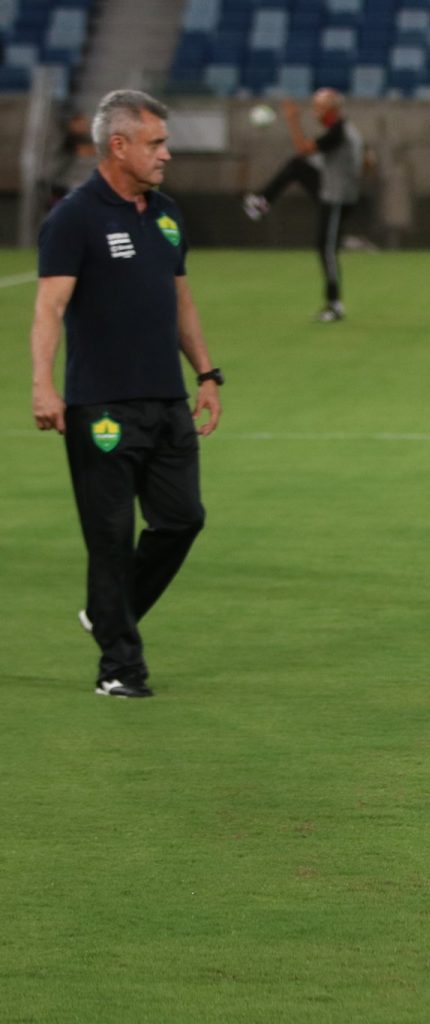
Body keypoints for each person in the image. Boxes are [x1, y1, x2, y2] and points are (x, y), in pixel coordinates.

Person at [30, 89, 223, 699]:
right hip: (102, 408)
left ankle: (109, 612)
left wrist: (206, 374)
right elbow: (49, 307)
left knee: (183, 519)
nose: (166, 154)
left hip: (166, 401)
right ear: (118, 146)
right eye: (156, 143)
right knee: (110, 540)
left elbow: (180, 298)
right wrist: (43, 384)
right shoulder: (74, 218)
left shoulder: (166, 213)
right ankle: (119, 669)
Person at [242, 88, 365, 322]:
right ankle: (261, 204)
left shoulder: (338, 132)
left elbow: (303, 148)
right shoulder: (344, 130)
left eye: (319, 107)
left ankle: (335, 305)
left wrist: (292, 120)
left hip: (337, 197)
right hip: (331, 190)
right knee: (297, 166)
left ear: (331, 110)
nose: (315, 112)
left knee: (327, 248)